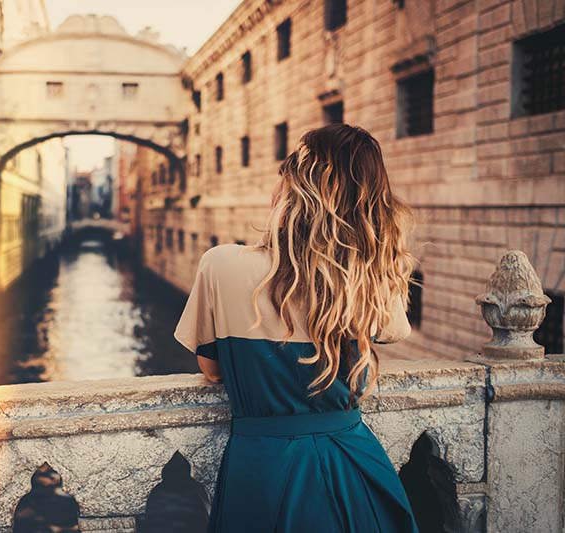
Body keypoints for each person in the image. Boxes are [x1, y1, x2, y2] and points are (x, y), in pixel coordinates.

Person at [174, 123, 419, 532]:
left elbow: (212, 369)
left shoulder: (220, 264)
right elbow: (395, 330)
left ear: (294, 187)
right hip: (354, 460)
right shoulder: (367, 277)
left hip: (264, 465)